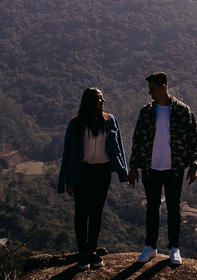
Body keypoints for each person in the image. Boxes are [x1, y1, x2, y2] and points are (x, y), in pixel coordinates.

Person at [127, 71, 197, 267]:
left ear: (164, 87)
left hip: (174, 168)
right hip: (150, 168)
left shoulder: (183, 111)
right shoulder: (146, 112)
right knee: (152, 208)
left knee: (173, 208)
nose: (150, 93)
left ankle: (174, 247)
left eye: (153, 89)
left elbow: (193, 139)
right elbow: (137, 139)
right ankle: (151, 247)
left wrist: (194, 165)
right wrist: (133, 167)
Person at [57, 87, 129, 270]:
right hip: (83, 172)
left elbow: (118, 147)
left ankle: (92, 250)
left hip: (102, 172)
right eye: (99, 98)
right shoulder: (76, 124)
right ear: (89, 100)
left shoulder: (110, 121)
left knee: (97, 212)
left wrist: (123, 171)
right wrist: (68, 181)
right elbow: (68, 153)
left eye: (103, 97)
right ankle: (83, 252)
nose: (103, 100)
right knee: (81, 213)